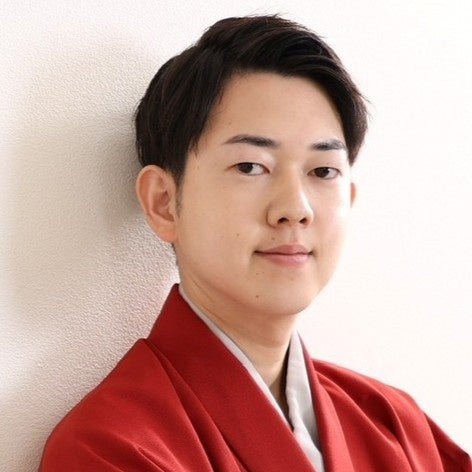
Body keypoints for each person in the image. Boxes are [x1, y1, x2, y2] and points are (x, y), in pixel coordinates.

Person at [39, 15, 471, 471]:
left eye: (323, 170)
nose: (295, 208)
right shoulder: (113, 448)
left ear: (349, 197)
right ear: (164, 203)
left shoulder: (396, 425)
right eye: (250, 166)